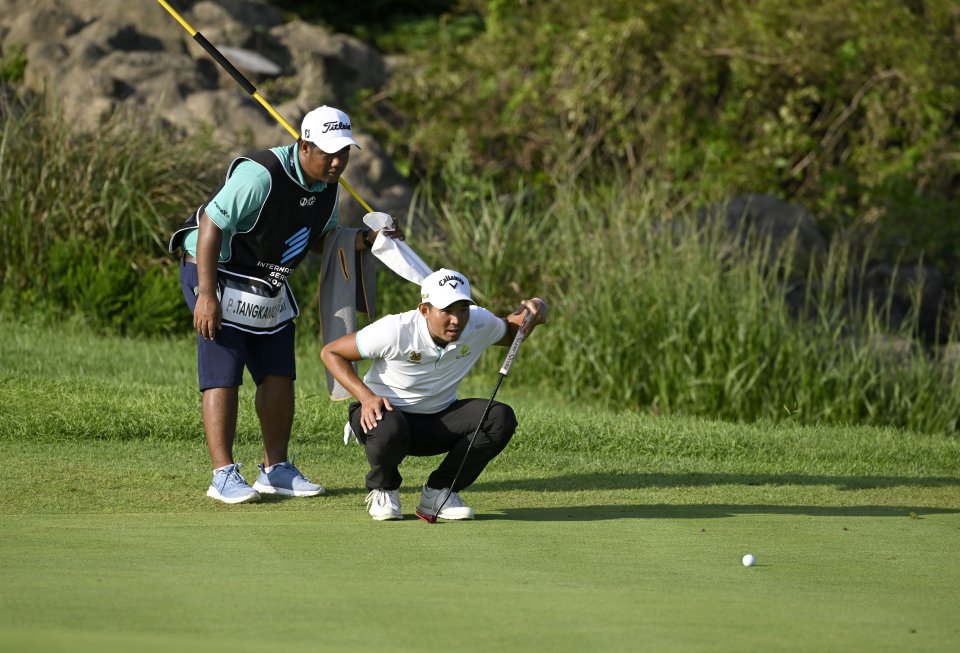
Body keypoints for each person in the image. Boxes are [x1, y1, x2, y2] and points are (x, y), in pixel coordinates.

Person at [168, 105, 403, 504]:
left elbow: (318, 241)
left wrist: (366, 240)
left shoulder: (328, 189)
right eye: (329, 152)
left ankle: (275, 469)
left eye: (344, 153)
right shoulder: (260, 175)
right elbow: (211, 223)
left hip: (266, 282)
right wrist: (206, 294)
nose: (337, 162)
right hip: (216, 270)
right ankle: (222, 475)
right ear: (304, 145)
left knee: (278, 373)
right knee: (224, 372)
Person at [320, 268, 548, 520]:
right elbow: (331, 353)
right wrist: (365, 396)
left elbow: (511, 331)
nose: (456, 319)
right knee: (388, 426)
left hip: (439, 421)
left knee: (499, 417)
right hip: (385, 418)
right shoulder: (396, 330)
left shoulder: (477, 322)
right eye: (447, 311)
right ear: (424, 310)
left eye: (462, 309)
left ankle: (439, 492)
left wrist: (534, 309)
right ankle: (384, 488)